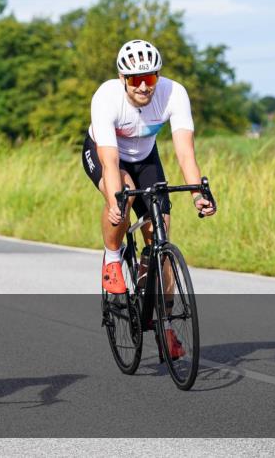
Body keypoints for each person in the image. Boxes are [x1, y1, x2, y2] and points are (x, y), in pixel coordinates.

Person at [82, 39, 216, 357]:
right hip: (106, 153)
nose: (144, 86)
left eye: (150, 78)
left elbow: (185, 153)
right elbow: (111, 162)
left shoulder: (174, 93)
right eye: (136, 80)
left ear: (158, 76)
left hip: (146, 157)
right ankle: (112, 259)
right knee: (124, 195)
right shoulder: (106, 98)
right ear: (122, 78)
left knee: (161, 238)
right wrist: (116, 202)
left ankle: (165, 324)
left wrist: (198, 193)